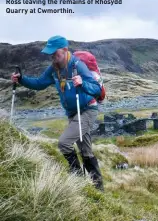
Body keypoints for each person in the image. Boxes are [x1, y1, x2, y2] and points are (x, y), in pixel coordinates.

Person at [11, 35, 104, 191]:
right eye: (51, 53)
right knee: (86, 151)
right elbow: (40, 83)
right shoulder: (53, 69)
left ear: (65, 50)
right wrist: (22, 80)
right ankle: (98, 189)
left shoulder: (77, 65)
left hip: (87, 109)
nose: (53, 56)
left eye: (56, 53)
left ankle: (77, 179)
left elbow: (96, 88)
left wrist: (82, 84)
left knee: (64, 143)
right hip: (72, 113)